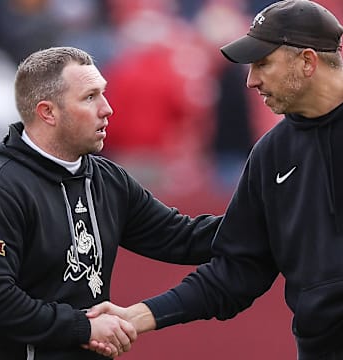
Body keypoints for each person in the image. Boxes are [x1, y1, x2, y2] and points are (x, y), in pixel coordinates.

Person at [86, 1, 343, 359]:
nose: (251, 80)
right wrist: (136, 316)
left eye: (263, 63)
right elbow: (237, 271)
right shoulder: (271, 154)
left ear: (308, 62)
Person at [0, 46, 224, 360]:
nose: (107, 108)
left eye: (103, 94)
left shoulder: (107, 178)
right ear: (48, 112)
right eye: (89, 97)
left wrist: (274, 217)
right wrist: (83, 328)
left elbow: (185, 238)